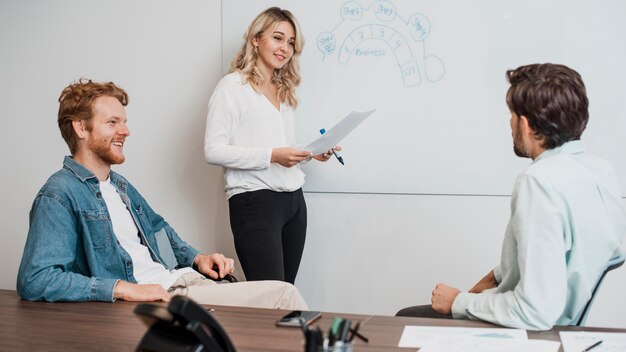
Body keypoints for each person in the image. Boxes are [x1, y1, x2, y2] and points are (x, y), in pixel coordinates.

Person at [16, 78, 308, 311]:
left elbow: (160, 232)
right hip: (166, 298)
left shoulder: (120, 186)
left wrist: (198, 259)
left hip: (184, 281)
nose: (126, 131)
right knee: (284, 297)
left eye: (124, 121)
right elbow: (36, 279)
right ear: (81, 128)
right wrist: (121, 288)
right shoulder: (58, 195)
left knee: (277, 313)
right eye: (113, 122)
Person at [396, 63, 626, 330]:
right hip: (567, 325)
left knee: (406, 320)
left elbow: (535, 312)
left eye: (512, 115)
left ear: (525, 125)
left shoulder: (538, 182)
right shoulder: (600, 171)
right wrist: (495, 277)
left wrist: (459, 302)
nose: (510, 123)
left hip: (532, 330)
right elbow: (605, 253)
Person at [204, 7, 337, 284]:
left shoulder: (283, 89)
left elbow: (280, 146)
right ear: (255, 39)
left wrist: (312, 152)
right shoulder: (232, 87)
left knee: (286, 295)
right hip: (255, 201)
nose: (285, 48)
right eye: (278, 38)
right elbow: (213, 150)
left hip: (293, 201)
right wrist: (273, 156)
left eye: (290, 43)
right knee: (269, 300)